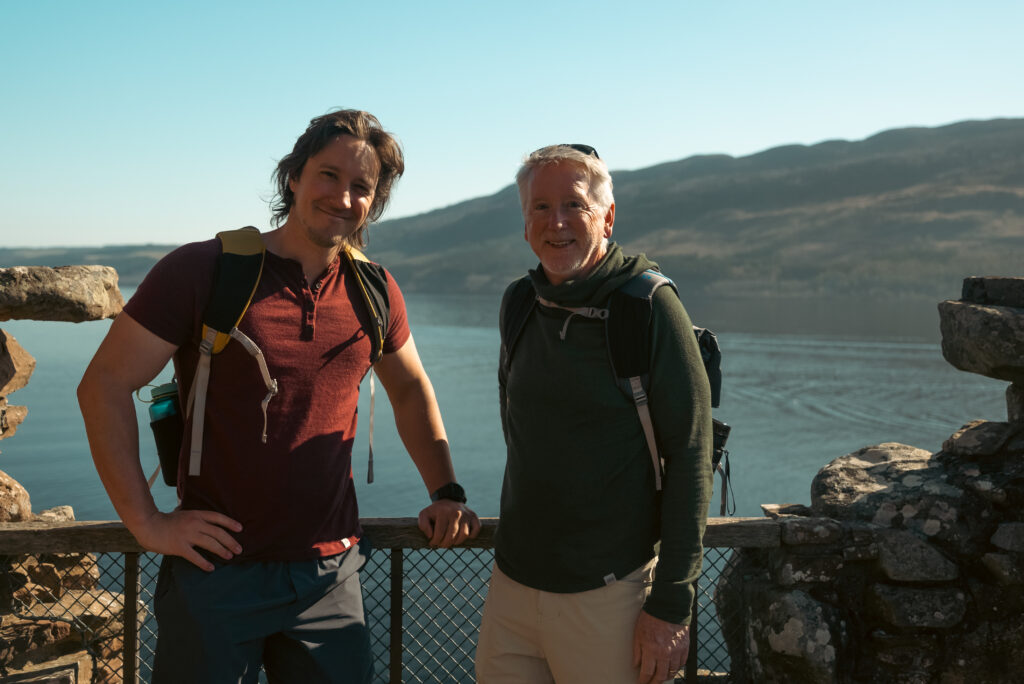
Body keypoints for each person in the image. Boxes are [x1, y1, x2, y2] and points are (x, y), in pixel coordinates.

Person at [77, 109, 480, 684]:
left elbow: (411, 389)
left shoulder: (375, 290)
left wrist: (445, 490)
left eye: (362, 186)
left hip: (330, 575)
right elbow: (104, 385)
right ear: (293, 176)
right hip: (215, 571)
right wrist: (146, 524)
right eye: (328, 175)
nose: (343, 196)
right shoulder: (203, 271)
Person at [475, 144, 713, 684]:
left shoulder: (649, 308)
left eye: (574, 205)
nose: (556, 222)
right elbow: (518, 430)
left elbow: (692, 458)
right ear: (524, 221)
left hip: (612, 595)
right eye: (540, 207)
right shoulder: (520, 302)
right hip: (512, 585)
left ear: (606, 217)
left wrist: (671, 604)